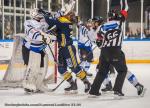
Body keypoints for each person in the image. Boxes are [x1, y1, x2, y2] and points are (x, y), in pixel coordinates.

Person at [41, 10, 91, 93]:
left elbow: (49, 21)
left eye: (69, 15)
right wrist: (48, 36)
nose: (67, 15)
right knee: (61, 68)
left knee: (74, 68)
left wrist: (46, 15)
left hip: (68, 49)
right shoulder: (64, 23)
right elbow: (58, 37)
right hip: (62, 49)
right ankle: (72, 84)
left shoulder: (64, 21)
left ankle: (86, 82)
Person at [89, 9, 129, 96]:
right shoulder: (119, 22)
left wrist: (101, 40)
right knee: (122, 70)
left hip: (104, 51)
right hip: (115, 51)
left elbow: (96, 38)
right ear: (116, 16)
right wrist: (122, 14)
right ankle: (117, 90)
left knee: (102, 72)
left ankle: (93, 91)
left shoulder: (103, 26)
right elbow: (125, 11)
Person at [22, 8, 55, 93]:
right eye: (39, 12)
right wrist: (45, 38)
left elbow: (51, 31)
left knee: (42, 68)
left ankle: (39, 84)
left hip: (40, 48)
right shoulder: (28, 22)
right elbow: (34, 34)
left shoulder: (43, 23)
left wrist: (51, 37)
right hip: (30, 48)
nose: (41, 14)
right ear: (33, 14)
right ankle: (28, 84)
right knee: (33, 67)